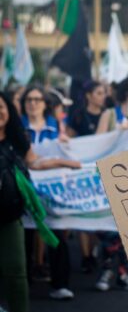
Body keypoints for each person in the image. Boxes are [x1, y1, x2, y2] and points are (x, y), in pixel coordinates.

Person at [0, 91, 80, 312]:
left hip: (10, 217)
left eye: (2, 107)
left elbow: (35, 163)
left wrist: (64, 162)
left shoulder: (17, 139)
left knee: (16, 271)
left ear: (9, 111)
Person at [20, 85, 76, 300]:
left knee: (57, 234)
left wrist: (66, 146)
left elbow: (69, 154)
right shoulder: (19, 126)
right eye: (29, 100)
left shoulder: (56, 127)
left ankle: (60, 284)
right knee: (25, 236)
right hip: (25, 190)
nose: (33, 103)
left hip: (51, 192)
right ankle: (23, 284)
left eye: (37, 100)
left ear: (45, 104)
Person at [94, 75, 128, 292]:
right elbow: (96, 146)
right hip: (110, 184)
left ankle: (123, 273)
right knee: (109, 231)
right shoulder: (108, 115)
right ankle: (107, 270)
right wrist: (117, 133)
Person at [66, 80, 107, 273]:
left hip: (102, 170)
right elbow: (69, 140)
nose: (103, 96)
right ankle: (86, 255)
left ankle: (95, 249)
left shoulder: (109, 116)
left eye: (104, 93)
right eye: (99, 93)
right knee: (86, 208)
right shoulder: (78, 116)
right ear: (89, 95)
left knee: (98, 211)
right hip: (83, 169)